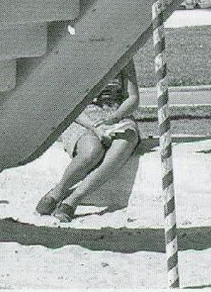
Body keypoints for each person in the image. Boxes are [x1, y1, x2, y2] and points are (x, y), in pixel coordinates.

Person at [37, 62, 141, 222]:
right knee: (92, 151)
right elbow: (69, 104)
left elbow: (133, 98)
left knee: (126, 140)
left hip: (116, 115)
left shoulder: (124, 52)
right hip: (82, 117)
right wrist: (95, 128)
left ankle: (74, 199)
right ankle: (58, 191)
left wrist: (116, 116)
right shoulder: (80, 53)